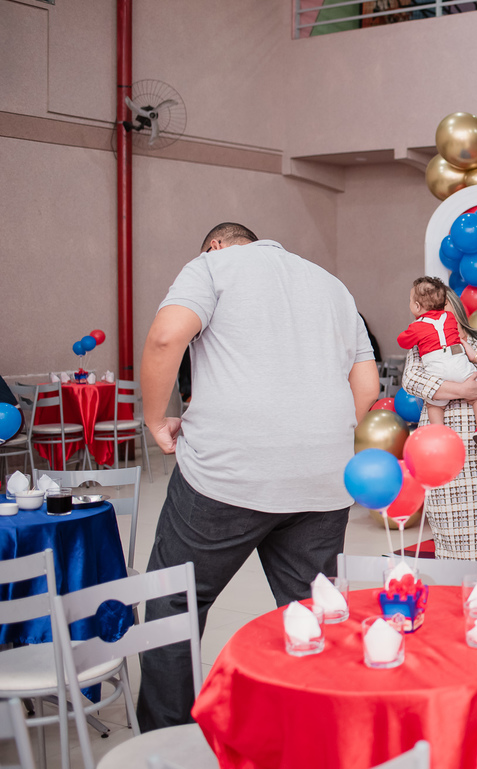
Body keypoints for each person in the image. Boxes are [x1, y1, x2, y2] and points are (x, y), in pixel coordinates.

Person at [136, 222, 378, 730]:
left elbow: (164, 338)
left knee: (173, 603)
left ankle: (167, 742)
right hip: (322, 477)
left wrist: (155, 420)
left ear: (216, 245)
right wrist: (322, 439)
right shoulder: (331, 284)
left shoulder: (211, 266)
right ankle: (318, 735)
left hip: (227, 471)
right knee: (313, 611)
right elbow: (367, 382)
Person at [400, 287, 477, 592]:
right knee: (453, 544)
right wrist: (464, 391)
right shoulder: (422, 343)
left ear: (454, 309)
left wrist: (469, 362)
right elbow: (412, 380)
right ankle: (460, 616)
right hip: (444, 457)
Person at [397, 277, 477, 456]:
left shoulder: (418, 327)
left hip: (437, 370)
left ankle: (440, 435)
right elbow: (411, 381)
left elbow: (402, 341)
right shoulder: (447, 319)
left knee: (435, 405)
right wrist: (464, 390)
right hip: (460, 365)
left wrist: (413, 329)